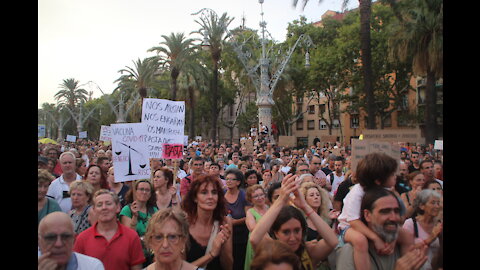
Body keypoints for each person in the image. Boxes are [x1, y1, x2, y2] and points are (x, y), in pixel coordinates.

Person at [336, 153, 413, 270]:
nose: (395, 176)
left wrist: (393, 239)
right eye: (392, 174)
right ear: (378, 181)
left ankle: (409, 264)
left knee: (406, 235)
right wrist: (375, 238)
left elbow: (401, 216)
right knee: (360, 241)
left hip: (372, 225)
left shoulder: (387, 192)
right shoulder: (357, 192)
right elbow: (353, 221)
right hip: (348, 227)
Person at [249, 174, 339, 270]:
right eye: (286, 232)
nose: (293, 238)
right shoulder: (269, 252)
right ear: (276, 233)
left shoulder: (308, 252)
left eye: (297, 230)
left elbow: (332, 241)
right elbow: (254, 238)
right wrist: (281, 199)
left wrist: (305, 206)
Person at [336, 186, 428, 270]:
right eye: (385, 211)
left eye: (396, 211)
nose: (393, 217)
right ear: (367, 215)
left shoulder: (407, 245)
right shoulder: (351, 251)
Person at [74, 189, 145, 270]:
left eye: (108, 204)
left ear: (118, 207)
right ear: (94, 210)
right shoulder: (82, 238)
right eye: (99, 205)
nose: (104, 208)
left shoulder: (131, 236)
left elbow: (136, 268)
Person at [181, 174, 233, 270]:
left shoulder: (224, 222)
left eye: (214, 192)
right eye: (204, 192)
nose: (210, 197)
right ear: (195, 198)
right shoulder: (182, 225)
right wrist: (211, 254)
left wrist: (224, 245)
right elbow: (180, 268)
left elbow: (228, 266)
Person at [38, 212, 105, 270]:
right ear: (39, 241)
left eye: (66, 237)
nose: (59, 244)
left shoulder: (92, 267)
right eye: (51, 238)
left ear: (73, 240)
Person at [403, 190, 443, 270]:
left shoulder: (439, 225)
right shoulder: (410, 224)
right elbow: (405, 251)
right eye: (433, 203)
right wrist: (431, 238)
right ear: (422, 206)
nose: (437, 206)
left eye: (438, 203)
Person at [224, 168, 251, 270]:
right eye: (227, 179)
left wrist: (235, 222)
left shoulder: (244, 196)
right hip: (225, 234)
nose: (228, 181)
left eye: (232, 179)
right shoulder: (222, 193)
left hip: (240, 236)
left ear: (238, 182)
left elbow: (249, 216)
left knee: (238, 263)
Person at [244, 184, 269, 270]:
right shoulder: (250, 212)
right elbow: (254, 229)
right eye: (256, 196)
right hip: (257, 245)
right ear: (250, 199)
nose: (260, 198)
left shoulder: (269, 208)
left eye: (261, 194)